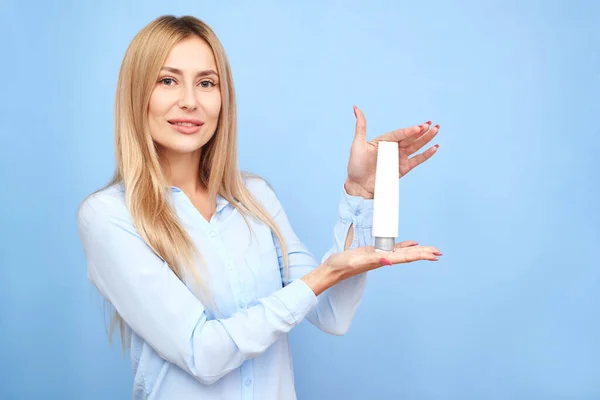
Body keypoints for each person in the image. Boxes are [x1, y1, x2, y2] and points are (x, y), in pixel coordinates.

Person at [77, 14, 442, 400]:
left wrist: (359, 193)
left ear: (223, 98)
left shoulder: (254, 198)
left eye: (206, 83)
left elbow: (333, 315)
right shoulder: (109, 216)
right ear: (137, 95)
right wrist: (320, 277)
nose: (190, 101)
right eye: (168, 80)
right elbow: (203, 353)